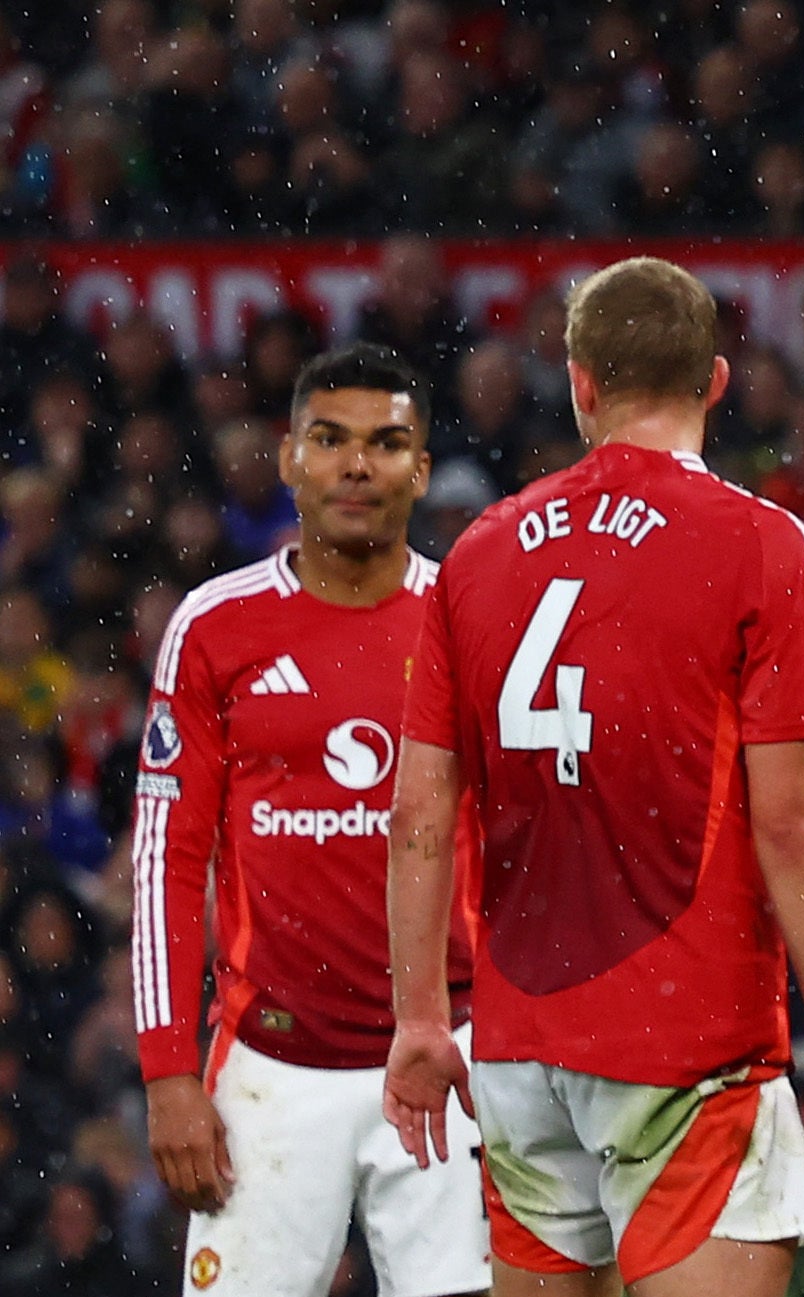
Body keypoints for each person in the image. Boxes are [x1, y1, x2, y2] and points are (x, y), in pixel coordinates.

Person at [382, 256, 804, 1297]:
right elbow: (788, 822)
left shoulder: (476, 550)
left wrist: (420, 1017)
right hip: (686, 1042)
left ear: (580, 384)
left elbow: (420, 812)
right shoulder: (762, 545)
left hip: (518, 1046)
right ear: (718, 381)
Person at [131, 343, 487, 1297]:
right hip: (271, 1066)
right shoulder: (213, 627)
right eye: (328, 440)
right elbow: (167, 858)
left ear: (421, 466)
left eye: (385, 443)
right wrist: (168, 1071)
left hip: (451, 1056)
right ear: (287, 458)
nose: (356, 466)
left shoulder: (472, 619)